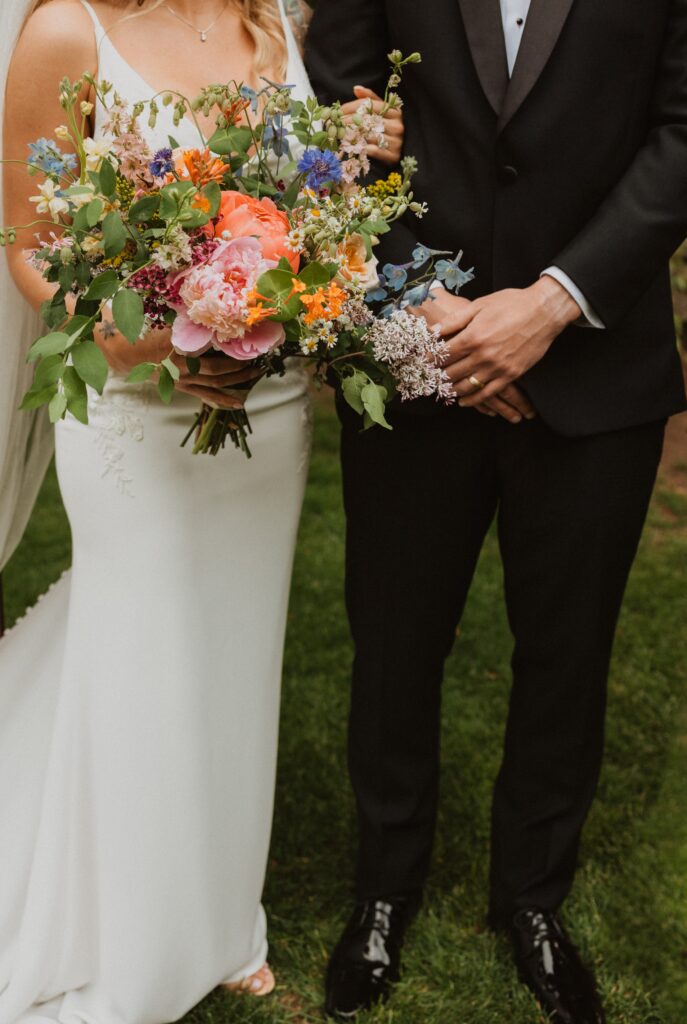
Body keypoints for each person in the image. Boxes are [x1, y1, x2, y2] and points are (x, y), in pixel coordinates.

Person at [0, 2, 402, 1021]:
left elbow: (304, 206)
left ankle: (221, 912)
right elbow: (32, 250)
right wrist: (153, 345)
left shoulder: (271, 16)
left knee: (236, 647)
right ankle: (135, 936)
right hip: (137, 405)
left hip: (262, 409)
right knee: (144, 647)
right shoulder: (63, 32)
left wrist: (351, 164)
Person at [305, 1, 687, 1020]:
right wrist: (410, 299)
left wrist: (553, 301)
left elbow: (683, 131)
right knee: (393, 639)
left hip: (599, 366)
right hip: (415, 356)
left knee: (566, 653)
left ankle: (533, 899)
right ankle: (383, 890)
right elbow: (330, 97)